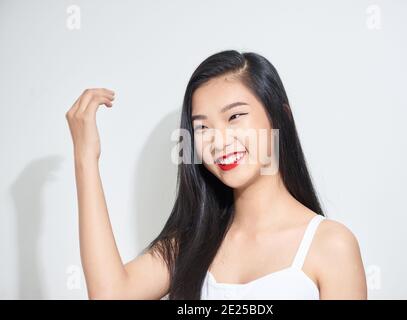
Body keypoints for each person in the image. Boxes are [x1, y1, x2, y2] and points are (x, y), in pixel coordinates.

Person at [65, 50, 367, 300]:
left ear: (280, 118)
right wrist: (85, 158)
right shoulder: (192, 241)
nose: (219, 141)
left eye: (234, 117)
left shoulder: (331, 245)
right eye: (202, 128)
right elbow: (110, 296)